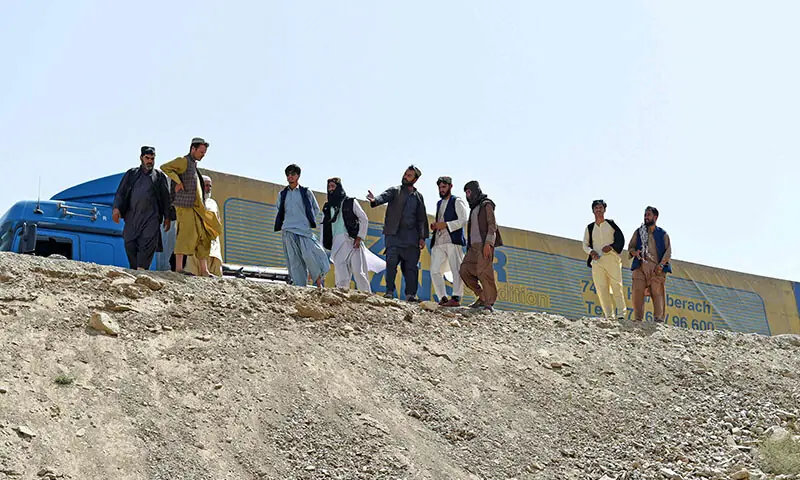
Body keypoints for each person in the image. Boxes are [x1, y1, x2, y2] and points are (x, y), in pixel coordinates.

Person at [160, 137, 222, 276]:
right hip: (185, 206)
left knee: (203, 235)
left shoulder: (194, 164)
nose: (202, 155)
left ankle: (204, 270)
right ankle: (179, 268)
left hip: (196, 207)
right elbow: (165, 167)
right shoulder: (183, 161)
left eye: (204, 152)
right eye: (201, 152)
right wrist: (178, 181)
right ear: (193, 149)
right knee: (185, 235)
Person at [367, 165, 429, 301]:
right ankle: (389, 292)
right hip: (394, 236)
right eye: (405, 174)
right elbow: (383, 197)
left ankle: (411, 295)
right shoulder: (395, 191)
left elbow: (421, 218)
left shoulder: (418, 197)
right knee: (391, 265)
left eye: (409, 175)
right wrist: (374, 200)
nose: (405, 177)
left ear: (415, 179)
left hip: (412, 239)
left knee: (411, 269)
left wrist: (422, 237)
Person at [112, 146, 173, 270]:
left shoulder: (159, 176)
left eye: (152, 158)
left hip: (151, 217)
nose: (150, 161)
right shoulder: (132, 174)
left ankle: (142, 269)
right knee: (129, 242)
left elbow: (166, 197)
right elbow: (121, 193)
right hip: (132, 216)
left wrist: (168, 216)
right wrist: (116, 209)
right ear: (141, 158)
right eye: (147, 158)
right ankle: (135, 269)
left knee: (147, 243)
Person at [321, 178, 385, 291]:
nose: (331, 189)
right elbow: (324, 227)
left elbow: (363, 219)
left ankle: (366, 297)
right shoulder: (327, 207)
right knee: (341, 272)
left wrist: (360, 237)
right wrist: (324, 245)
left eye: (333, 186)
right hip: (337, 243)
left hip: (352, 241)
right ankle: (342, 296)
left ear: (338, 187)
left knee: (358, 272)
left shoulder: (350, 202)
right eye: (329, 187)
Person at [274, 164, 330, 287]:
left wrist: (307, 221)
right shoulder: (282, 194)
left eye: (293, 174)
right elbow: (279, 210)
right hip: (288, 229)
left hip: (304, 230)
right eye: (288, 174)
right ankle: (299, 286)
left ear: (298, 176)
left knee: (310, 255)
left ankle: (319, 283)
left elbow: (315, 208)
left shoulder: (306, 192)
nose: (290, 177)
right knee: (294, 260)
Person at [459, 180, 503, 312]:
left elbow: (492, 225)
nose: (468, 195)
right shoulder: (473, 208)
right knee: (464, 270)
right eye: (466, 193)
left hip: (484, 245)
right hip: (473, 248)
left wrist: (488, 243)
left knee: (485, 273)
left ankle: (489, 303)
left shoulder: (486, 204)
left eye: (469, 192)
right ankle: (482, 296)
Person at [582, 199, 627, 319]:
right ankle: (608, 316)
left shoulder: (610, 224)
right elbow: (585, 244)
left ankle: (621, 314)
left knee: (616, 285)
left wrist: (611, 247)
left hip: (611, 259)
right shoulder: (590, 228)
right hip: (597, 262)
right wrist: (591, 252)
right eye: (596, 208)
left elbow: (620, 239)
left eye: (600, 207)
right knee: (601, 288)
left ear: (604, 209)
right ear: (593, 210)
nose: (598, 210)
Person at [429, 176, 469, 307]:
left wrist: (446, 225)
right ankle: (442, 297)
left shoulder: (457, 201)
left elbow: (463, 220)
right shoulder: (439, 203)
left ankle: (456, 297)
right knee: (434, 269)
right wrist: (436, 226)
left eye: (444, 187)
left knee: (455, 269)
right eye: (440, 187)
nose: (441, 190)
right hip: (439, 242)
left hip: (453, 241)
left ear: (450, 187)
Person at [628, 206, 672, 322]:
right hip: (640, 266)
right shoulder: (639, 232)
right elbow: (630, 247)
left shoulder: (663, 234)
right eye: (645, 215)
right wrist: (634, 252)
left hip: (656, 269)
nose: (646, 217)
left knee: (657, 293)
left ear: (655, 217)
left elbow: (668, 252)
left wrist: (661, 265)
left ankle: (658, 320)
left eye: (648, 215)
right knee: (637, 291)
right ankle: (638, 319)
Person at [186, 175, 223, 276]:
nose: (208, 188)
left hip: (213, 247)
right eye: (206, 185)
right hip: (195, 247)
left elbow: (217, 222)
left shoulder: (213, 203)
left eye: (210, 186)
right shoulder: (191, 201)